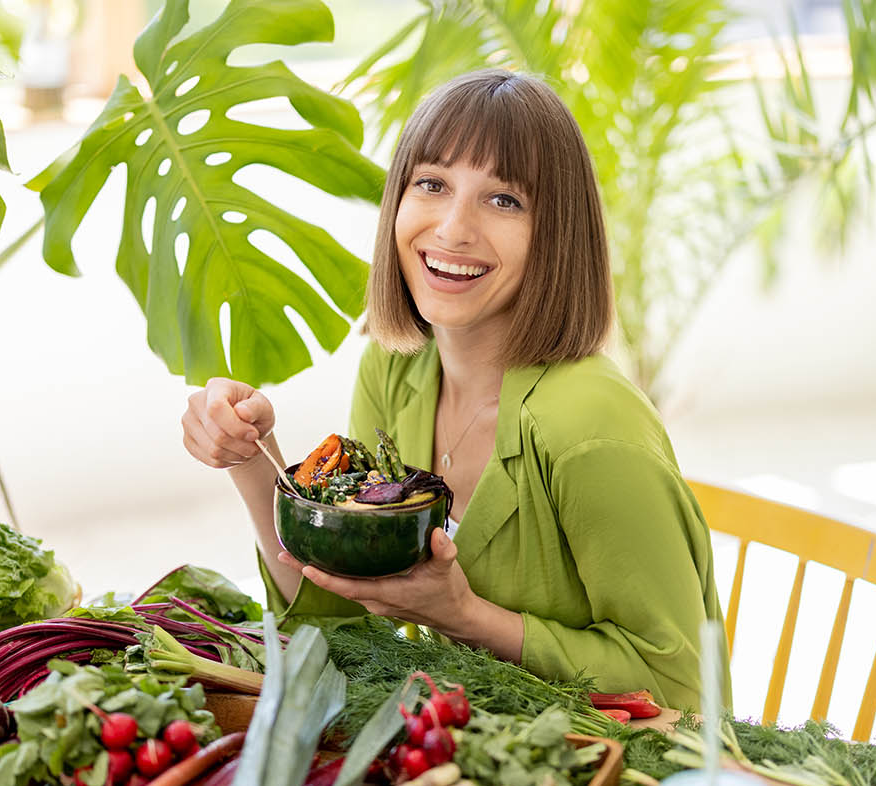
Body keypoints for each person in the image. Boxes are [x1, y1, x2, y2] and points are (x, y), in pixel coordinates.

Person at [181, 69, 726, 709]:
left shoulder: (591, 425)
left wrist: (463, 613)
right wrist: (252, 455)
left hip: (616, 784)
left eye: (504, 200)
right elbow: (344, 618)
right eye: (432, 185)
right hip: (465, 752)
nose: (452, 229)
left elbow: (683, 691)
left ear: (556, 234)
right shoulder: (396, 369)